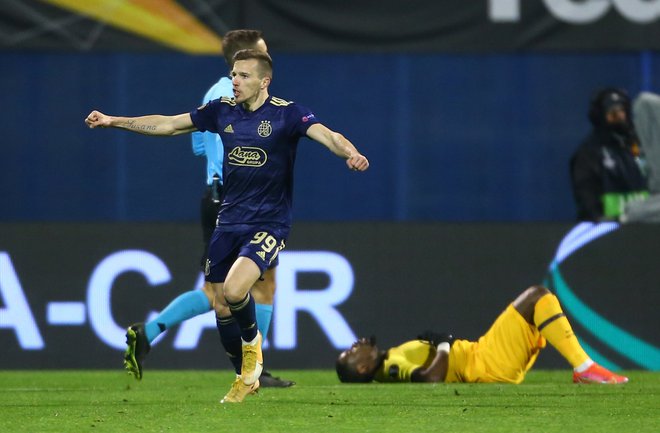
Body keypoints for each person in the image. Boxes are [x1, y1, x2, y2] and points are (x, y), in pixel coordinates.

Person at [86, 49, 369, 403]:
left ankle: (252, 355)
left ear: (264, 82)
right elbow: (170, 124)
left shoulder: (287, 114)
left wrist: (351, 153)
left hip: (268, 223)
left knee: (236, 291)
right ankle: (244, 376)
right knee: (220, 305)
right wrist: (114, 120)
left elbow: (329, 135)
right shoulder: (221, 110)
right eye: (234, 74)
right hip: (228, 221)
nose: (235, 80)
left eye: (244, 76)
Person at [191, 29, 293, 388]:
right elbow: (192, 134)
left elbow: (198, 147)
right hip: (233, 200)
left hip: (232, 200)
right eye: (259, 54)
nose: (238, 79)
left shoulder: (271, 108)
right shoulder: (227, 99)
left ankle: (250, 367)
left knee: (232, 293)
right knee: (226, 295)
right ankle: (251, 367)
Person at [336, 285, 628, 385]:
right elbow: (430, 379)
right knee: (537, 297)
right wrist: (443, 345)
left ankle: (584, 368)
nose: (353, 346)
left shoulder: (389, 360)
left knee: (538, 304)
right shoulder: (390, 367)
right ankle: (584, 369)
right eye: (350, 353)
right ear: (363, 368)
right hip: (486, 364)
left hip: (483, 356)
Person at [570, 87, 648, 222]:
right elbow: (587, 197)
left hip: (645, 227)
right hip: (608, 231)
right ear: (600, 116)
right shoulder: (589, 154)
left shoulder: (641, 147)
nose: (619, 116)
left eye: (622, 110)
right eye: (612, 112)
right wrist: (600, 220)